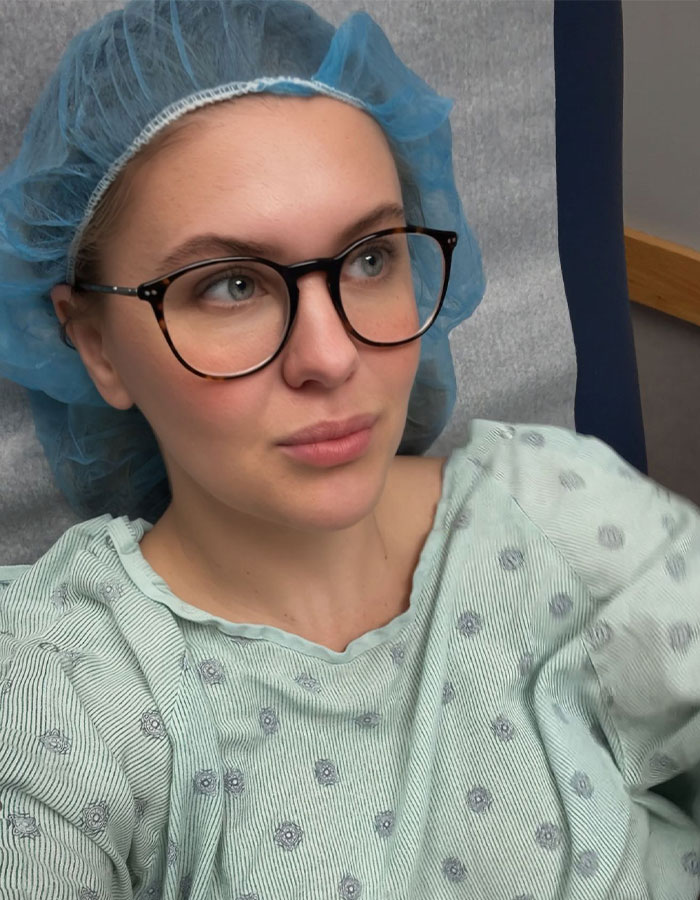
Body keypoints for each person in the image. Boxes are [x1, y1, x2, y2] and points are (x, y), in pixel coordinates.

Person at [0, 2, 698, 899]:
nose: (332, 357)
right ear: (96, 344)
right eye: (231, 284)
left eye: (371, 259)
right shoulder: (60, 686)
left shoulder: (559, 508)